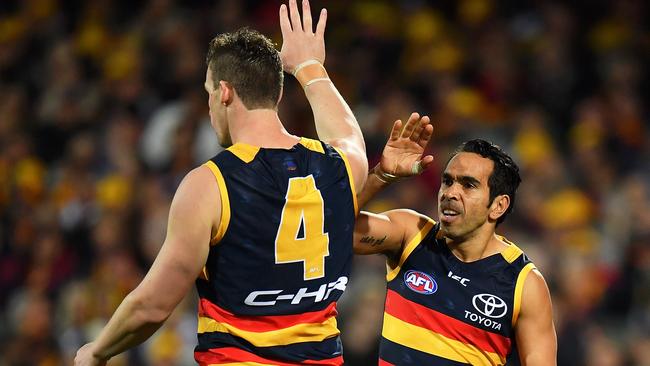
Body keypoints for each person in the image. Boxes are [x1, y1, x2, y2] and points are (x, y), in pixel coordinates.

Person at [74, 0, 369, 365]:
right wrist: (310, 68)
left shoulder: (210, 185)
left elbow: (153, 305)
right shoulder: (339, 167)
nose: (209, 105)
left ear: (225, 92)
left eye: (209, 91)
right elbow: (350, 139)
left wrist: (97, 351)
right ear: (276, 94)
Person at [353, 117, 557, 365]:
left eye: (468, 185)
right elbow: (329, 229)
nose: (450, 193)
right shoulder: (411, 234)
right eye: (448, 181)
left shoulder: (524, 285)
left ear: (498, 206)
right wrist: (381, 175)